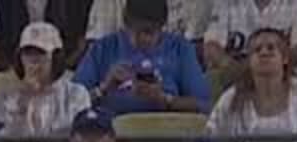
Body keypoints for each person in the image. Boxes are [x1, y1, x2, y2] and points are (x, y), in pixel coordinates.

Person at [78, 0, 212, 115]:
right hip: (109, 132)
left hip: (164, 131)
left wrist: (166, 100)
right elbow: (71, 102)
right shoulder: (102, 49)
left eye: (147, 32)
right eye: (131, 29)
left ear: (162, 26)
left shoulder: (180, 49)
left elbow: (204, 105)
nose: (137, 39)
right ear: (124, 21)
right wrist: (103, 88)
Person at [211, 24, 297, 130]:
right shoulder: (230, 100)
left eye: (271, 48)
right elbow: (209, 141)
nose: (264, 52)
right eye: (257, 49)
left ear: (285, 58)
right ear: (249, 61)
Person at [0, 20, 91, 134]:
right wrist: (22, 103)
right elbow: (5, 141)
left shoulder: (76, 94)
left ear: (56, 58)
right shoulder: (7, 97)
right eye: (27, 53)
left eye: (40, 53)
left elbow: (80, 137)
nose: (33, 60)